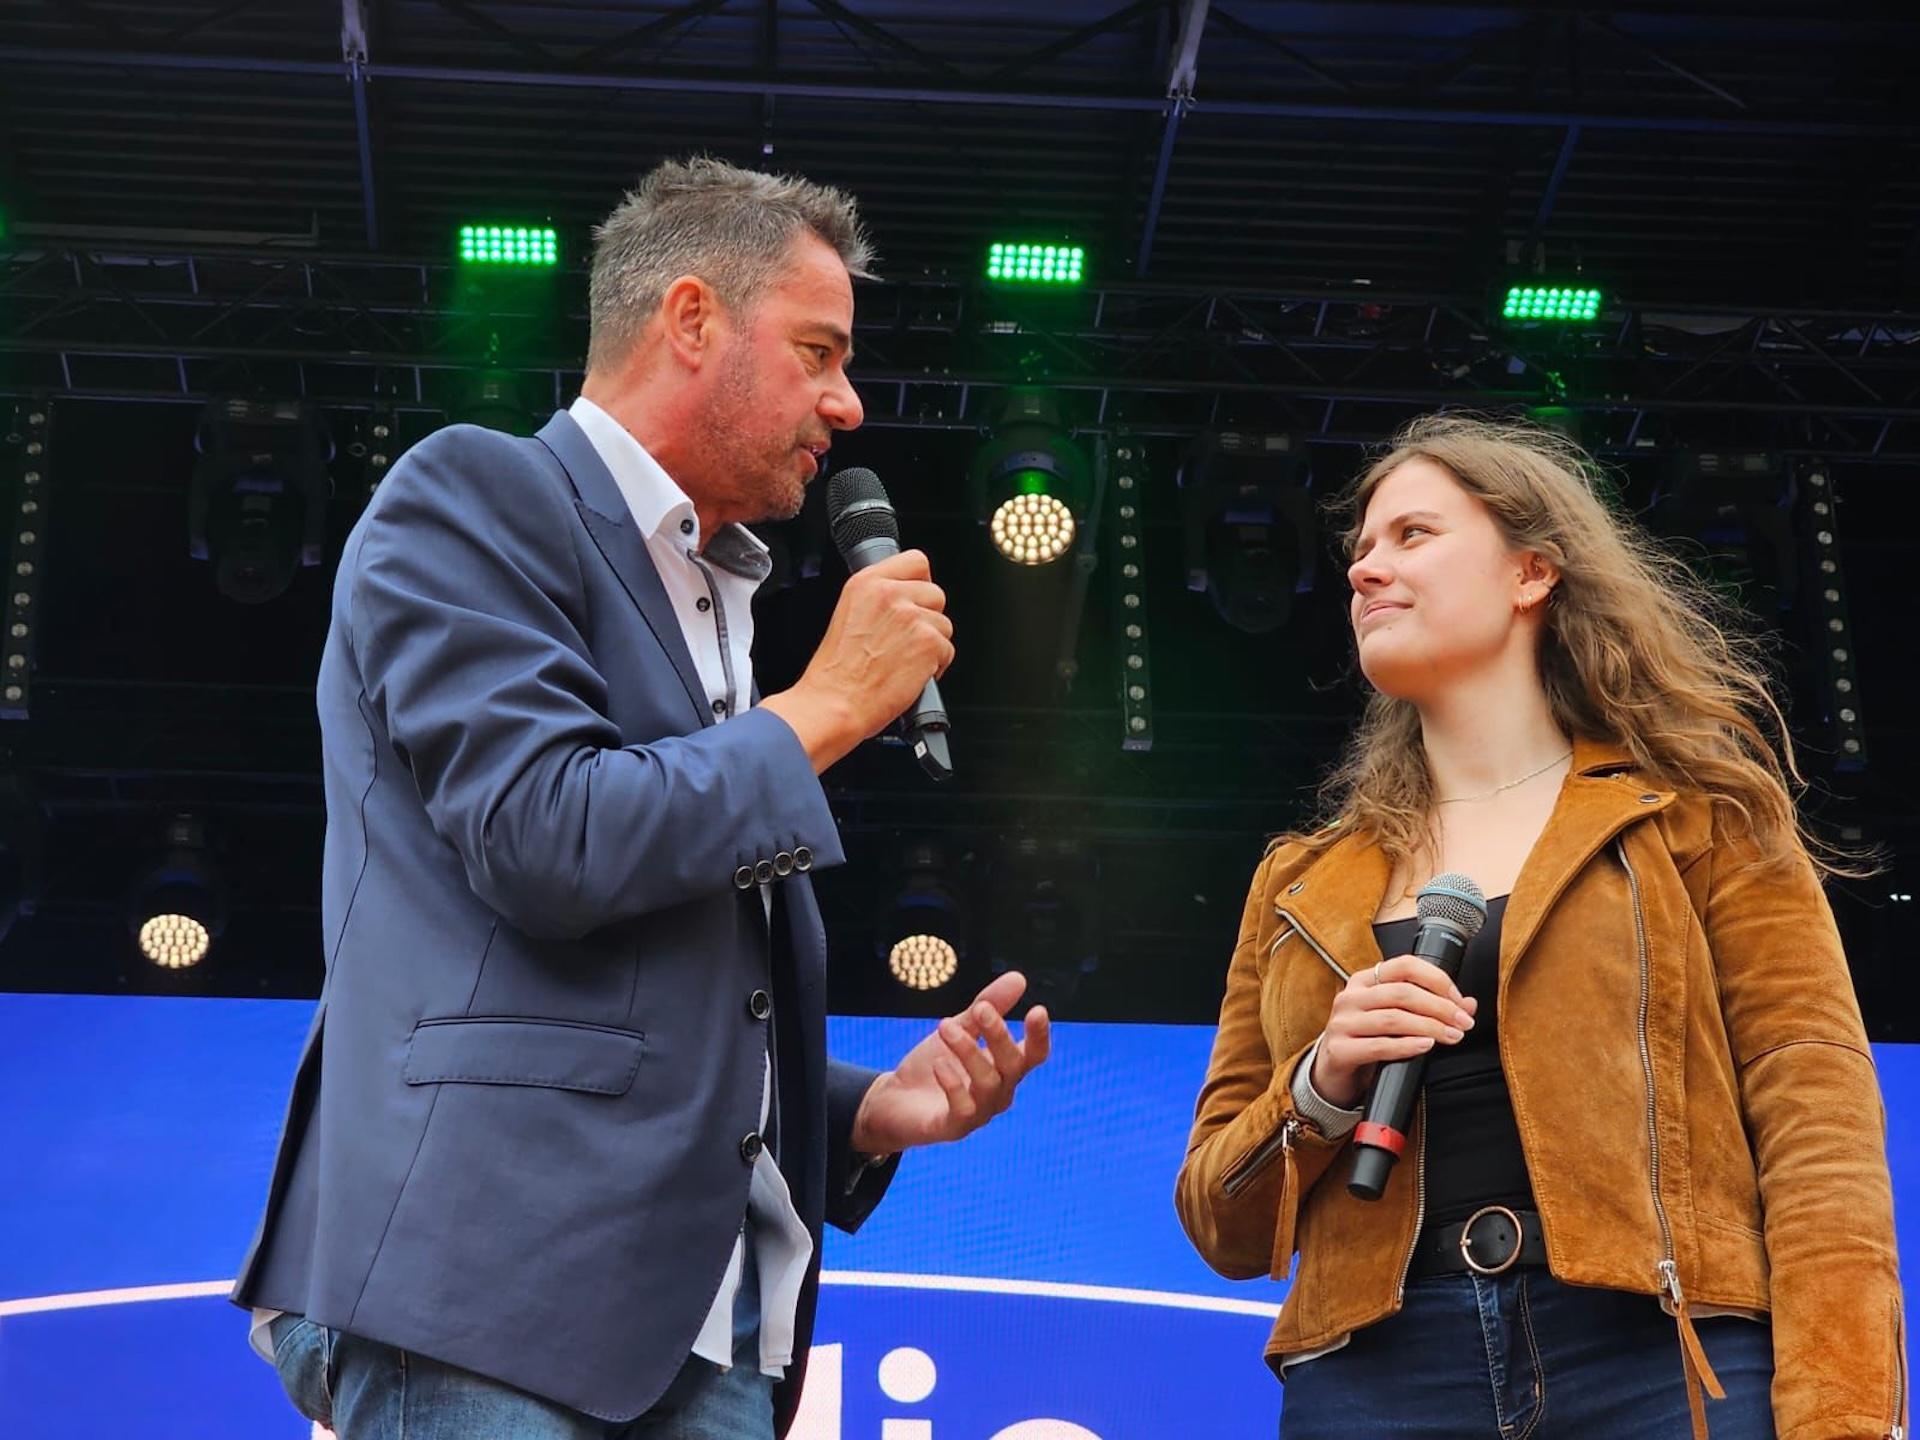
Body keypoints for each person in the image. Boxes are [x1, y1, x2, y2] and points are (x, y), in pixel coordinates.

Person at [232, 156, 1050, 1440]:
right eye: (819, 351)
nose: (849, 401)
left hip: (710, 1336)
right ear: (690, 320)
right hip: (489, 1290)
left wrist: (861, 1110)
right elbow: (545, 839)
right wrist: (829, 703)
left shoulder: (717, 597)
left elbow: (663, 979)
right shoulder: (477, 494)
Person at [1175, 414, 1904, 1439]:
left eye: (1412, 536)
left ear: (1530, 573)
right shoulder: (1302, 884)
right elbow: (1222, 1219)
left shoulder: (1702, 818)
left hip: (1661, 1356)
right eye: (1360, 552)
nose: (1366, 570)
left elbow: (1819, 1134)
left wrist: (1843, 1416)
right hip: (1379, 1380)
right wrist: (1324, 1079)